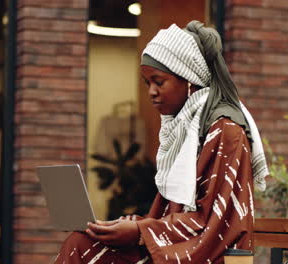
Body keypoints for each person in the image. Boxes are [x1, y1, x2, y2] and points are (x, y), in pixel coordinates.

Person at [54, 20, 269, 263]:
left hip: (210, 256)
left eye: (159, 81)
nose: (151, 92)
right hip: (175, 247)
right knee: (80, 242)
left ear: (188, 79)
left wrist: (140, 232)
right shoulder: (186, 127)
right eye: (148, 84)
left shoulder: (225, 131)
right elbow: (177, 216)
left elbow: (215, 224)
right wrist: (137, 226)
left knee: (81, 248)